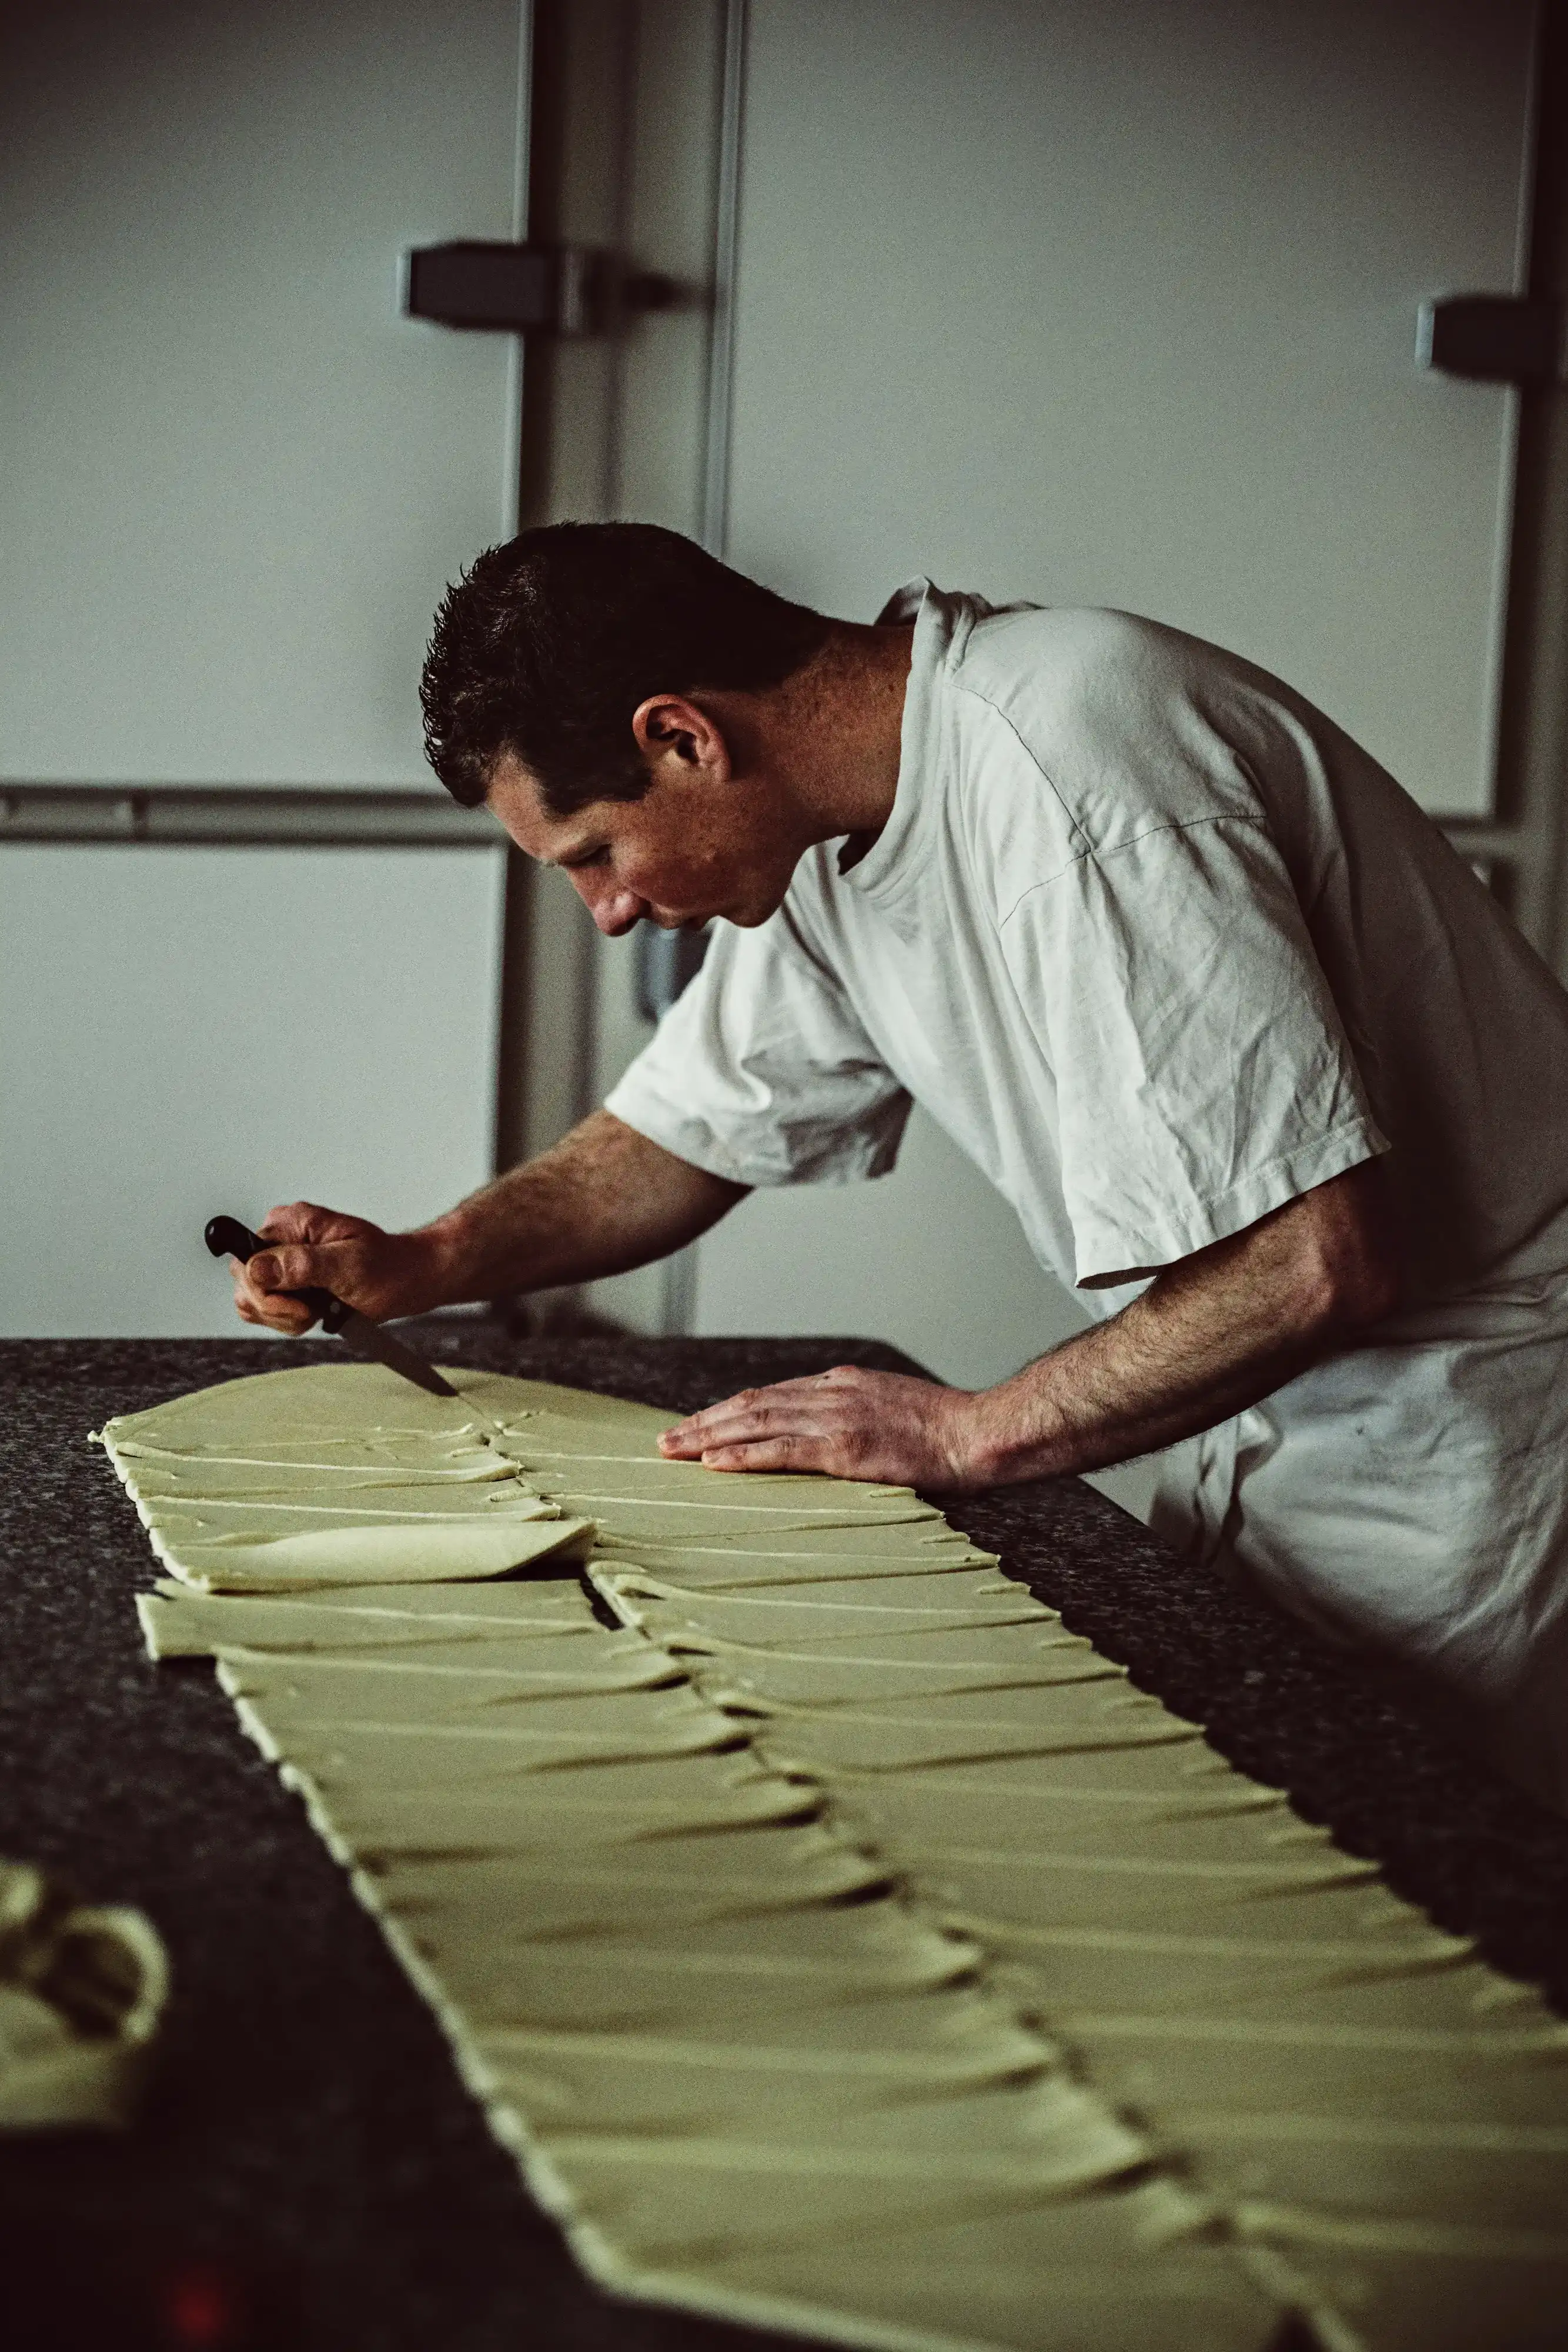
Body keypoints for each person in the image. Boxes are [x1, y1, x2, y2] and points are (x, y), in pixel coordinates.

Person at [232, 522, 1568, 1810]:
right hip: (1262, 1425)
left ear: (681, 736)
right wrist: (433, 1258)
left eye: (596, 853)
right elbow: (683, 1133)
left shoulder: (1072, 760)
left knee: (1460, 1929)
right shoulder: (819, 830)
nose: (611, 909)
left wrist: (962, 1427)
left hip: (1471, 1459)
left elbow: (1317, 1258)